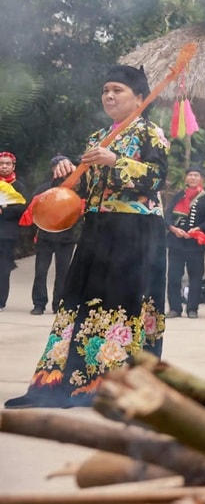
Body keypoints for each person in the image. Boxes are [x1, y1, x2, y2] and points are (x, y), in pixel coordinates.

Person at [5, 65, 168, 408]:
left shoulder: (151, 133)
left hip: (135, 231)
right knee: (79, 301)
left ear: (140, 97)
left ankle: (116, 390)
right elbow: (83, 186)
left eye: (118, 90)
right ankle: (61, 385)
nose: (109, 95)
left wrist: (115, 160)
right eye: (105, 90)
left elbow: (157, 178)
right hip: (96, 227)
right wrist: (63, 167)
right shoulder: (97, 137)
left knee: (123, 305)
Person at [27, 156, 78, 316]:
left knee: (63, 272)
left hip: (66, 238)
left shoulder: (75, 187)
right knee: (41, 271)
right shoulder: (45, 188)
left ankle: (59, 304)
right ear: (53, 169)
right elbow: (34, 209)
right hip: (45, 237)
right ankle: (39, 304)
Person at [165, 167, 205, 319]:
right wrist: (174, 229)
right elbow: (167, 216)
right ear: (186, 178)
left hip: (196, 244)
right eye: (190, 175)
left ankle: (192, 308)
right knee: (174, 276)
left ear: (201, 179)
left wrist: (198, 229)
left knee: (196, 277)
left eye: (196, 175)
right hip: (177, 242)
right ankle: (175, 308)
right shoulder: (178, 196)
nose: (193, 178)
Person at [0, 151, 28, 312]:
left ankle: (1, 301)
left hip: (7, 234)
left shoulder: (18, 185)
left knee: (3, 269)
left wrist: (4, 209)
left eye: (7, 164)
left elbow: (23, 207)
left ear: (13, 166)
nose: (4, 166)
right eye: (1, 163)